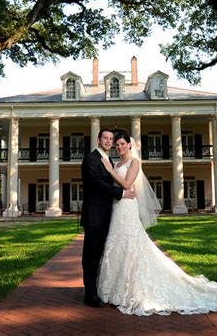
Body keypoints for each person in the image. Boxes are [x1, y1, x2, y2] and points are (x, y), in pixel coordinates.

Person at [97, 131, 217, 315]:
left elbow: (128, 184)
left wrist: (110, 171)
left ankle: (131, 291)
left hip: (128, 208)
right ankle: (114, 290)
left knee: (130, 244)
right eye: (117, 145)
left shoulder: (134, 162)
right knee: (116, 244)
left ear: (130, 145)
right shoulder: (118, 163)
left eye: (122, 144)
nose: (119, 147)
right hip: (117, 207)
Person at [80, 129, 135, 308]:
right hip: (94, 216)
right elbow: (96, 184)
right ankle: (90, 294)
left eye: (111, 139)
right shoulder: (91, 159)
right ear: (98, 139)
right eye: (105, 138)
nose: (109, 141)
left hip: (109, 215)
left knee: (103, 254)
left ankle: (99, 289)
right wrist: (121, 193)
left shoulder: (110, 161)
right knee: (91, 254)